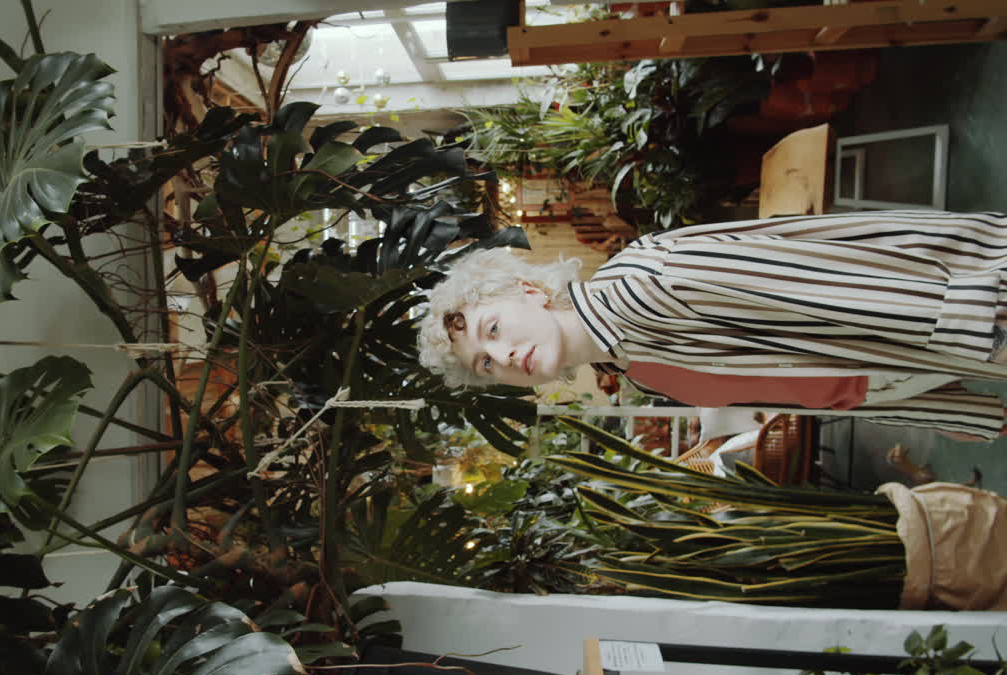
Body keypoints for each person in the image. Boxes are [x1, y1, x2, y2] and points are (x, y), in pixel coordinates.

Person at [417, 210, 1007, 439]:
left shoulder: (648, 283)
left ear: (529, 290)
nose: (503, 356)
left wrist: (977, 327)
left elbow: (815, 282)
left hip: (953, 315)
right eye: (484, 365)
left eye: (493, 330)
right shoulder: (631, 364)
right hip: (900, 367)